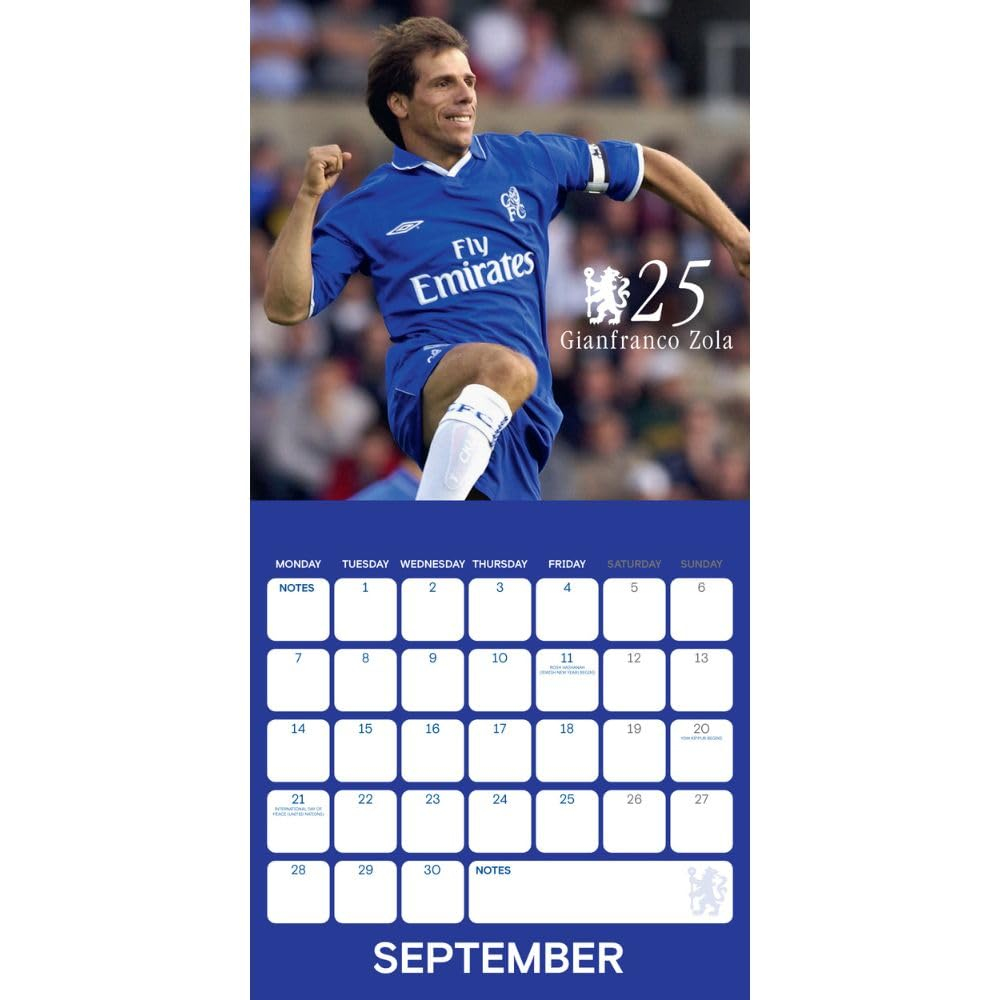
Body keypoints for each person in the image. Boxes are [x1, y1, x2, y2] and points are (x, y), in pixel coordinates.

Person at [264, 16, 749, 501]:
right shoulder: (369, 206)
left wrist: (738, 238)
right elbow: (287, 305)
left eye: (469, 81)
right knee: (507, 367)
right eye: (443, 83)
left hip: (522, 414)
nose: (466, 95)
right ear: (400, 103)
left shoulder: (526, 160)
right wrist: (307, 198)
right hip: (428, 380)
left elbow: (647, 164)